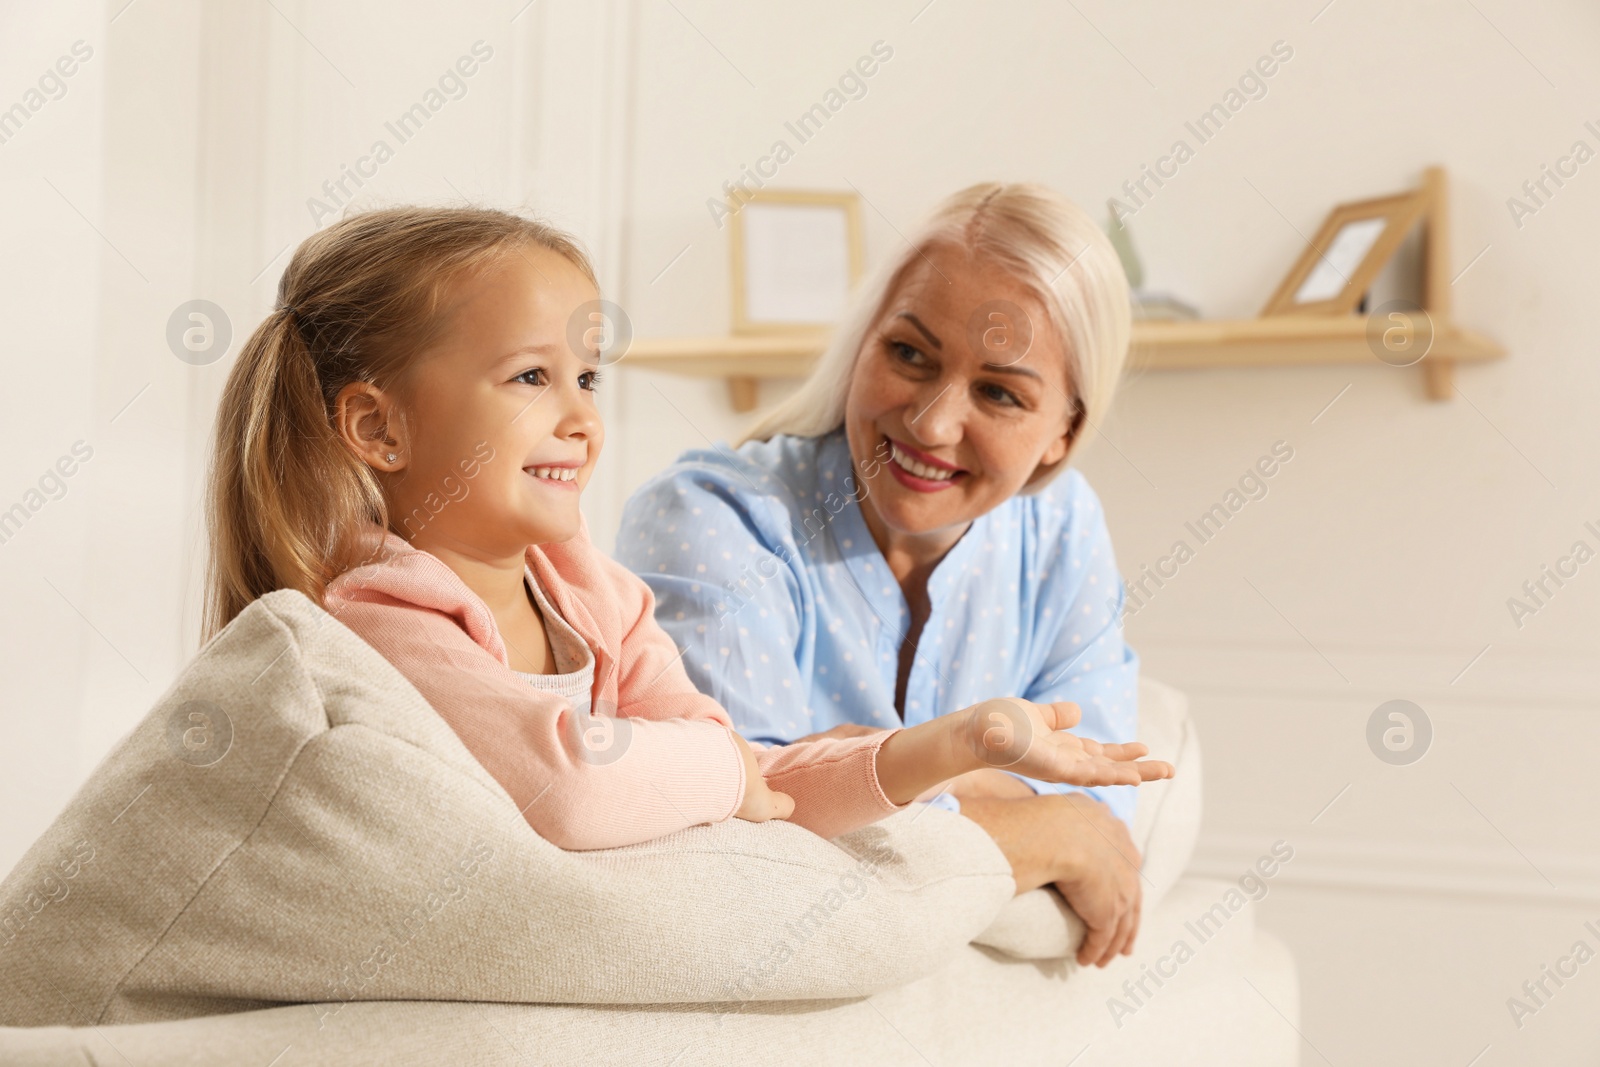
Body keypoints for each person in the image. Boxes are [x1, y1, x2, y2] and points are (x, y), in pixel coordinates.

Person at [201, 204, 1172, 854]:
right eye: (531, 377)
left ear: (1063, 436)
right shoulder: (383, 612)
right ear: (379, 426)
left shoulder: (587, 589)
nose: (582, 417)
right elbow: (582, 783)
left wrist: (958, 742)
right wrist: (725, 771)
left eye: (587, 377)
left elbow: (768, 780)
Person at [617, 183, 1154, 966]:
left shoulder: (1061, 527)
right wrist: (1043, 822)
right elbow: (738, 832)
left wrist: (854, 774)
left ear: (1061, 433)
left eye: (1000, 392)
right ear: (864, 341)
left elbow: (1104, 798)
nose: (932, 423)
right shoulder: (711, 519)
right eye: (909, 354)